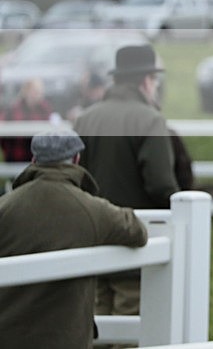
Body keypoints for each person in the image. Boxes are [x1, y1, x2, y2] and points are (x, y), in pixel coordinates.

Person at [0, 129, 147, 349]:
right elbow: (137, 231)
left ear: (34, 160)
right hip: (65, 339)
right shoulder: (91, 209)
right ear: (77, 160)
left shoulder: (6, 206)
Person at [74, 44, 178, 333]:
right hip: (135, 243)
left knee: (96, 329)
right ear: (146, 80)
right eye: (154, 80)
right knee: (130, 331)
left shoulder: (84, 119)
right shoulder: (150, 119)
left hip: (94, 238)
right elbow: (160, 184)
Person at [0, 77, 56, 163]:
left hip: (40, 157)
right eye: (34, 91)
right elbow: (3, 131)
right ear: (25, 92)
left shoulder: (46, 109)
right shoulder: (13, 109)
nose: (37, 94)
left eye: (39, 92)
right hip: (17, 155)